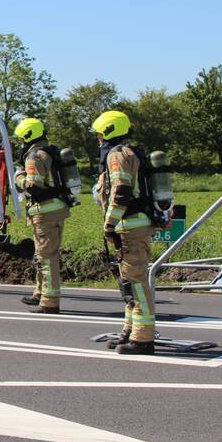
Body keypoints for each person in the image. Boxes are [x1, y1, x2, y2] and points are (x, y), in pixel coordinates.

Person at [92, 110, 155, 355]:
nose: (98, 138)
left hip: (129, 226)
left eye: (99, 134)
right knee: (128, 282)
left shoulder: (117, 155)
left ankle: (142, 340)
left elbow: (121, 192)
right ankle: (130, 332)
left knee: (136, 283)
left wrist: (109, 224)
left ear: (108, 132)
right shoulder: (130, 152)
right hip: (132, 224)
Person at [13, 118, 70, 314]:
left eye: (21, 140)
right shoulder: (49, 152)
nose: (20, 144)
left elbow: (33, 187)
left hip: (45, 213)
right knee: (42, 254)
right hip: (54, 210)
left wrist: (18, 177)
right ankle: (40, 292)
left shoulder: (34, 157)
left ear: (28, 136)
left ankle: (49, 301)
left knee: (47, 257)